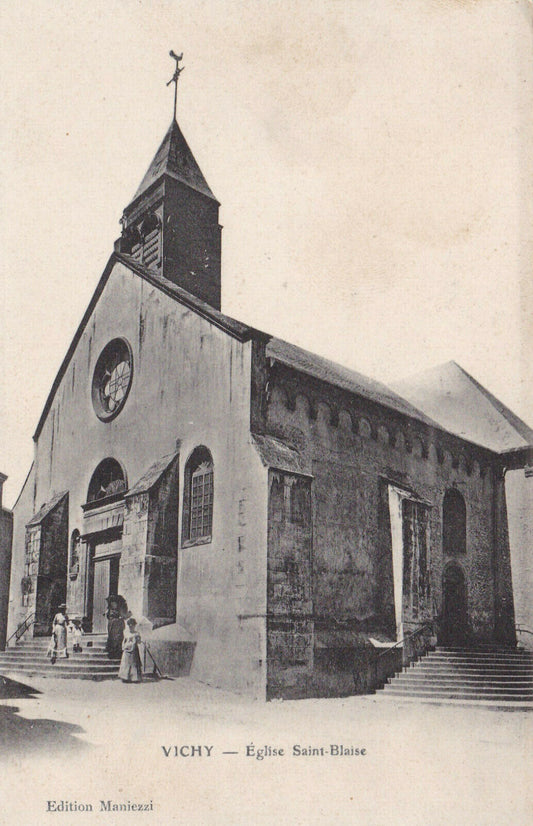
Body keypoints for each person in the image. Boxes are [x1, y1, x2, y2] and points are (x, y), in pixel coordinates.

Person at [118, 617, 142, 683]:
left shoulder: (136, 633)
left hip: (134, 650)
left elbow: (139, 642)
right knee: (126, 663)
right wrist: (123, 647)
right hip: (126, 650)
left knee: (134, 663)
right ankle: (125, 677)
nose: (131, 626)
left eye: (132, 625)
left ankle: (134, 678)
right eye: (129, 625)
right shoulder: (126, 633)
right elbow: (124, 641)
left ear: (134, 625)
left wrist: (138, 639)